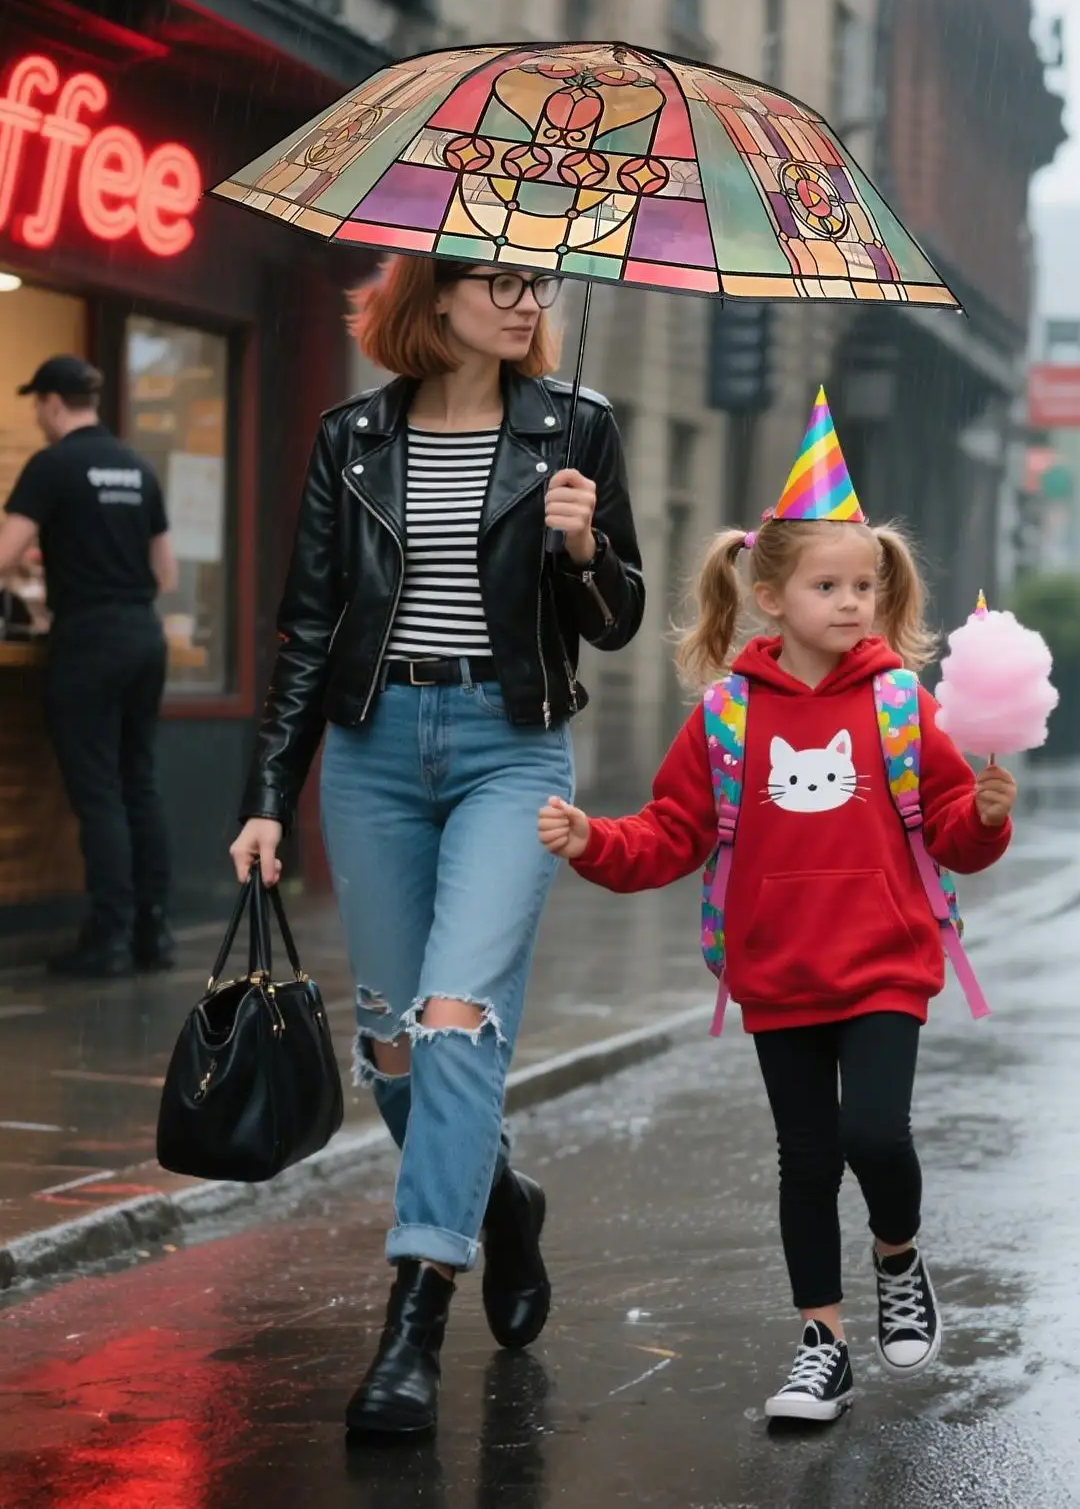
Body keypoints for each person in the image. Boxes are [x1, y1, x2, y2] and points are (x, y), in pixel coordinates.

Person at [228, 257, 644, 1440]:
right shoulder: (350, 437)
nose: (524, 301)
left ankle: (414, 1311)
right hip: (370, 751)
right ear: (433, 299)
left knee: (455, 1015)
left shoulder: (577, 428)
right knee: (392, 1048)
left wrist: (580, 548)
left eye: (537, 285)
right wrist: (269, 790)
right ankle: (503, 1201)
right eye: (495, 281)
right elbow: (308, 622)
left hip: (509, 748)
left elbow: (611, 622)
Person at [537, 418, 1015, 1426]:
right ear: (769, 597)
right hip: (775, 972)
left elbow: (952, 839)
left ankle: (897, 1250)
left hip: (885, 962)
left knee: (871, 1132)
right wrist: (591, 838)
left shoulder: (898, 705)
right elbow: (669, 833)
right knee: (804, 1156)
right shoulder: (725, 716)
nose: (849, 602)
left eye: (863, 587)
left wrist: (984, 813)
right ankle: (821, 1343)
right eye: (827, 587)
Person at [0, 356, 179, 976]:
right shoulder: (139, 467)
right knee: (138, 783)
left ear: (53, 403)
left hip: (88, 640)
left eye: (37, 404)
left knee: (98, 793)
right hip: (143, 636)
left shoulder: (53, 465)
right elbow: (163, 575)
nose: (37, 415)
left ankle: (107, 938)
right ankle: (154, 932)